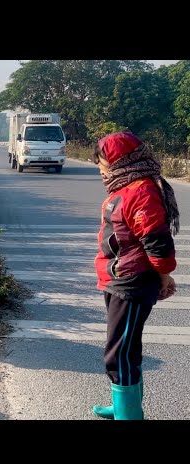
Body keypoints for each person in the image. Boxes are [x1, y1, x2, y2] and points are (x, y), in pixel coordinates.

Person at [89, 132, 179, 420]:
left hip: (131, 281)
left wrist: (164, 276)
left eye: (103, 164)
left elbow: (156, 240)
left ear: (121, 162)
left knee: (119, 354)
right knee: (127, 347)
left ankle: (129, 415)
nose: (101, 170)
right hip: (119, 279)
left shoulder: (140, 191)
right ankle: (123, 406)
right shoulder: (129, 187)